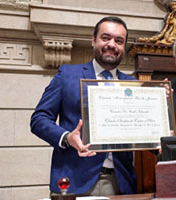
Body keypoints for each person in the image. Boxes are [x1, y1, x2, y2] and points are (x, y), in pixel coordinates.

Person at [30, 16, 137, 196]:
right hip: (74, 180)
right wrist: (67, 138)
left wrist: (159, 106)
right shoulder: (67, 74)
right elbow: (39, 119)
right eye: (106, 38)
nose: (112, 44)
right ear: (93, 41)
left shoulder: (133, 85)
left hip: (120, 182)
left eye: (119, 41)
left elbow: (143, 131)